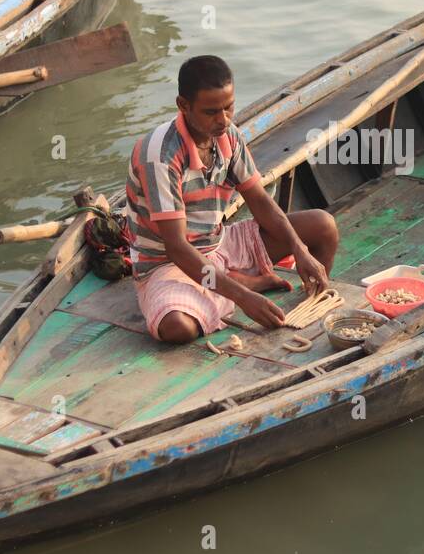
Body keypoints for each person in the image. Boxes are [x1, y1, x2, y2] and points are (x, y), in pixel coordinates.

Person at [127, 55, 338, 343]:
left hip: (219, 244)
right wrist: (244, 297)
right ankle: (236, 285)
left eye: (229, 108)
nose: (223, 120)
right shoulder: (160, 156)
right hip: (169, 264)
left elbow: (260, 201)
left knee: (323, 226)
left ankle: (233, 287)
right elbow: (176, 248)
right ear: (183, 106)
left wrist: (299, 249)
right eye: (211, 112)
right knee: (177, 328)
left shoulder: (229, 136)